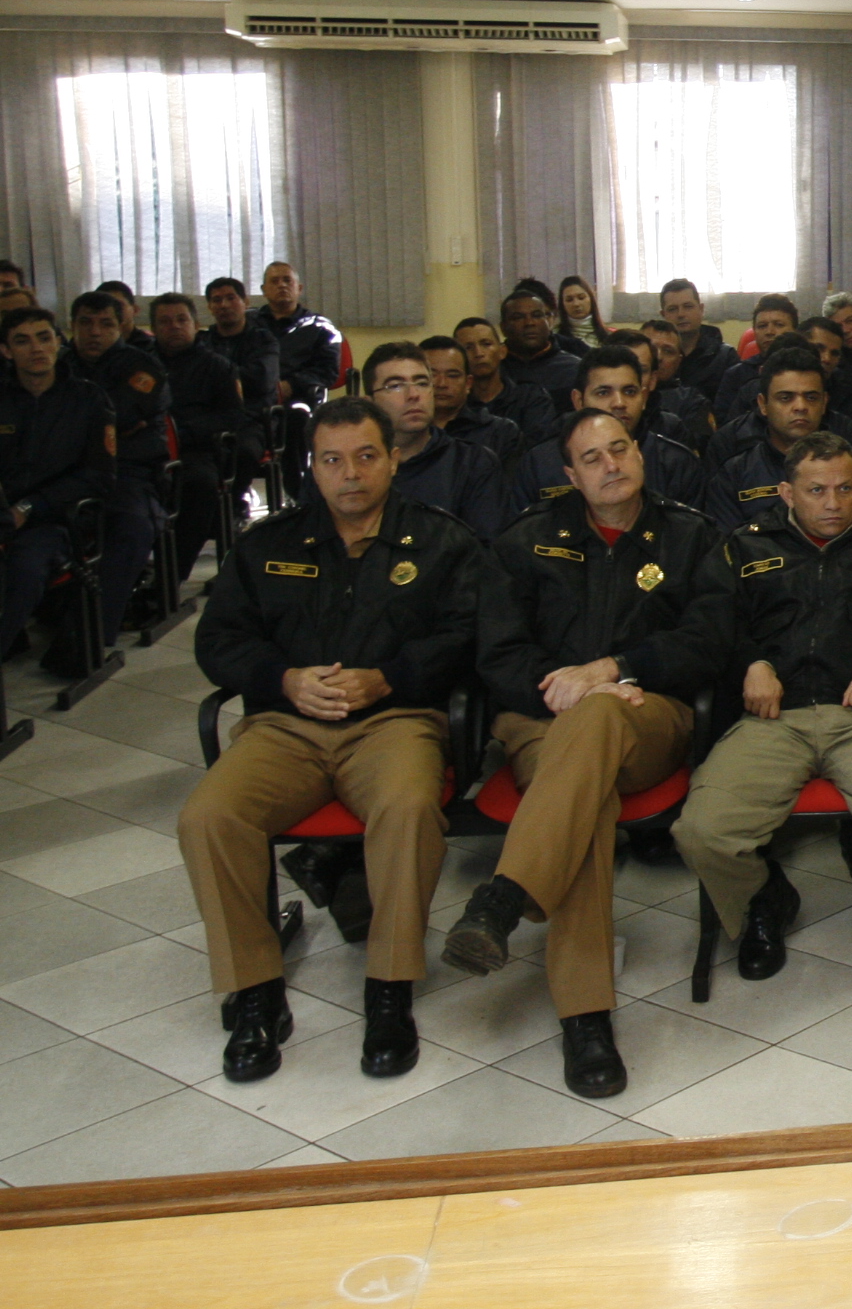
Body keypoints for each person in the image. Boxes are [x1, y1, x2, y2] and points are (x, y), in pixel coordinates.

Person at [182, 398, 485, 1084]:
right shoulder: (268, 544)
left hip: (394, 722)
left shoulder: (442, 542)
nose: (350, 474)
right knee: (209, 816)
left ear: (394, 458)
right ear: (311, 469)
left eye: (366, 457)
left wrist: (389, 679)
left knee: (407, 812)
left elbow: (467, 637)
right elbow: (219, 639)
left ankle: (388, 986)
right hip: (285, 725)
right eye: (332, 460)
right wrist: (281, 679)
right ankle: (255, 991)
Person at [457, 407, 731, 1096]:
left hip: (651, 716)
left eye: (621, 449)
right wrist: (567, 692)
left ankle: (507, 894)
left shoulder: (691, 536)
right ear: (569, 475)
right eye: (593, 457)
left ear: (640, 453)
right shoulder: (523, 542)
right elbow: (497, 653)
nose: (611, 464)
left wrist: (612, 670)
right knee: (587, 793)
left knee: (602, 720)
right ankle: (585, 1022)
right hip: (539, 720)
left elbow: (711, 640)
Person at [672, 431, 852, 981]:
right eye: (816, 490)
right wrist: (750, 663)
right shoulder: (745, 545)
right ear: (785, 491)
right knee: (702, 832)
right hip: (772, 719)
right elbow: (712, 624)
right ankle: (764, 899)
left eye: (845, 488)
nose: (832, 503)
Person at [0, 308, 114, 658]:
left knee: (23, 569)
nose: (36, 348)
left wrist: (30, 507)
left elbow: (100, 476)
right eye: (22, 341)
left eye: (44, 337)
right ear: (6, 351)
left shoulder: (89, 399)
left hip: (54, 519)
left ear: (58, 341)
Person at [61, 289, 169, 650]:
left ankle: (93, 635)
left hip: (128, 473)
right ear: (71, 326)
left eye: (106, 324)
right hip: (65, 473)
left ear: (122, 327)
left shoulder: (141, 366)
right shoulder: (59, 364)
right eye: (85, 324)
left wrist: (77, 429)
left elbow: (120, 414)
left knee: (131, 529)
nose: (94, 332)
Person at [512, 346, 707, 511]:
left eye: (630, 392)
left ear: (644, 398)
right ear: (578, 401)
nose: (619, 403)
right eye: (603, 392)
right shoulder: (538, 465)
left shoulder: (677, 463)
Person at [364, 343, 515, 540]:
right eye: (396, 386)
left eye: (422, 383)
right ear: (369, 402)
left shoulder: (473, 463)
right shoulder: (354, 466)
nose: (414, 395)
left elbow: (487, 552)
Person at [150, 291, 248, 585]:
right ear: (153, 329)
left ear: (195, 324)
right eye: (165, 321)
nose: (175, 326)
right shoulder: (141, 365)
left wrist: (183, 431)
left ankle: (170, 578)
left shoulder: (217, 366)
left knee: (200, 486)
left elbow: (232, 417)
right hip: (147, 452)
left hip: (196, 451)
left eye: (182, 319)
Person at [704, 347, 844, 529]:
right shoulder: (733, 476)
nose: (800, 406)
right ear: (763, 405)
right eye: (786, 398)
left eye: (811, 397)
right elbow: (725, 545)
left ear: (824, 403)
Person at [253, 261, 344, 410]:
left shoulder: (320, 327)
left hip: (300, 399)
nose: (282, 285)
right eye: (275, 281)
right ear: (264, 290)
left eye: (287, 280)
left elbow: (328, 371)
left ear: (299, 288)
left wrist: (291, 385)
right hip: (253, 398)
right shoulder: (248, 323)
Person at [454, 316, 557, 446]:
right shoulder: (454, 404)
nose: (478, 353)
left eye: (486, 344)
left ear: (502, 351)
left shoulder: (531, 398)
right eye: (468, 347)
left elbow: (541, 451)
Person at [423, 334, 523, 464]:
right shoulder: (401, 431)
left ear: (468, 383)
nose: (442, 384)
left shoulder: (501, 432)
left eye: (452, 375)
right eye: (432, 375)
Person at [714, 295, 803, 419]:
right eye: (762, 326)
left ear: (795, 330)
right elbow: (724, 423)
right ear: (754, 332)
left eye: (779, 325)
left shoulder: (810, 370)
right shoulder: (736, 375)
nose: (769, 332)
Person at [201, 276, 282, 410]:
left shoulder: (264, 340)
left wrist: (214, 378)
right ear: (210, 307)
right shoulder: (201, 342)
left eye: (231, 298)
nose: (224, 305)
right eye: (217, 300)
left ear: (246, 302)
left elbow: (262, 381)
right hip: (209, 416)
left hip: (254, 418)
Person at [498, 288, 581, 415]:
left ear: (549, 321)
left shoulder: (574, 369)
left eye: (537, 315)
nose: (529, 323)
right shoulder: (494, 369)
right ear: (503, 327)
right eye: (518, 317)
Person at [639, 318, 715, 450]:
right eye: (652, 348)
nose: (659, 357)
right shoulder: (616, 393)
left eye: (668, 351)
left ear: (679, 361)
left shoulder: (693, 402)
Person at [660, 278, 736, 395]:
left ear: (701, 309)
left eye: (688, 306)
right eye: (673, 309)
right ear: (663, 315)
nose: (681, 314)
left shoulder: (725, 357)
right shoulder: (656, 358)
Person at [97, 281, 154, 353]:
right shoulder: (91, 347)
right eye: (104, 307)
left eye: (119, 305)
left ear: (135, 310)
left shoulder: (150, 347)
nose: (112, 312)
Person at [554, 275, 608, 351]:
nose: (576, 304)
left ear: (591, 299)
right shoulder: (554, 337)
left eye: (581, 298)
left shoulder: (609, 337)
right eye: (569, 300)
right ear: (562, 304)